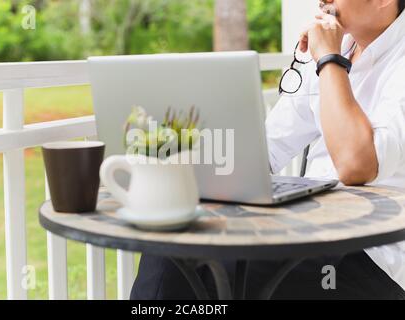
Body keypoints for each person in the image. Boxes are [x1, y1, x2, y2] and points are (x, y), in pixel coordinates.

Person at [130, 0, 405, 299]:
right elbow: (267, 150)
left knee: (223, 276)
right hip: (308, 226)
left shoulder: (355, 56)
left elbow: (356, 166)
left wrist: (329, 59)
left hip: (370, 253)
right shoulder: (340, 47)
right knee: (172, 248)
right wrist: (191, 166)